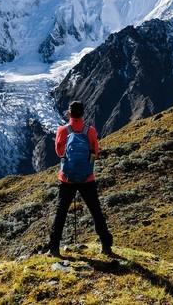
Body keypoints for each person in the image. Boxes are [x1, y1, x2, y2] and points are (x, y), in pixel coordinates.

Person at [46, 101, 113, 257]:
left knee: (60, 213)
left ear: (69, 114)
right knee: (96, 211)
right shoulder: (90, 131)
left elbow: (59, 152)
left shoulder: (63, 130)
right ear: (83, 114)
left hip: (66, 179)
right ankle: (106, 246)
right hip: (87, 178)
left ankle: (54, 248)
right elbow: (96, 151)